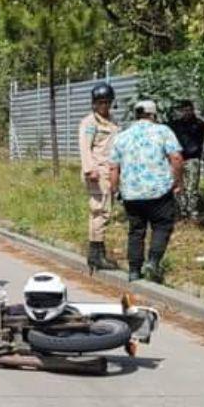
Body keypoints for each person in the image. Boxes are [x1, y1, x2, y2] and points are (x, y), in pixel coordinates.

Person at [109, 100, 183, 283]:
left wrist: (115, 190)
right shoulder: (163, 131)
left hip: (131, 194)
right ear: (153, 114)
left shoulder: (121, 136)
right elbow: (176, 158)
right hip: (159, 191)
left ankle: (134, 271)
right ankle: (153, 261)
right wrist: (177, 182)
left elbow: (113, 167)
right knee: (162, 226)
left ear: (136, 115)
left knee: (136, 231)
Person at [78, 82, 121, 272]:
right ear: (94, 103)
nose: (104, 106)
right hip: (97, 173)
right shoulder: (89, 122)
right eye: (100, 102)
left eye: (107, 102)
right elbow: (84, 147)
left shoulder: (112, 121)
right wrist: (90, 170)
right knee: (99, 211)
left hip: (109, 171)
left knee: (106, 211)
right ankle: (96, 255)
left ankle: (98, 252)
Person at [168, 99, 204, 220]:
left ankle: (192, 213)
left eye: (189, 110)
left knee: (192, 188)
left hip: (193, 158)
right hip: (178, 159)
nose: (187, 112)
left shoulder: (199, 123)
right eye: (184, 110)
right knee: (178, 187)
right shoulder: (176, 124)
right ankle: (182, 213)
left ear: (193, 110)